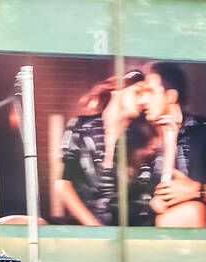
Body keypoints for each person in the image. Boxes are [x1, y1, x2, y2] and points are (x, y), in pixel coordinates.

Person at [133, 61, 206, 228]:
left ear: (170, 96)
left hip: (205, 239)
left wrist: (197, 191)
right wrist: (151, 203)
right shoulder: (144, 141)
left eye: (149, 92)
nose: (143, 100)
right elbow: (136, 202)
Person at [56, 71, 146, 226]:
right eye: (137, 92)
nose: (142, 100)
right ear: (117, 90)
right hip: (85, 227)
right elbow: (63, 184)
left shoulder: (141, 139)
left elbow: (145, 198)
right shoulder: (80, 126)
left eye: (146, 95)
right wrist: (95, 229)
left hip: (128, 233)